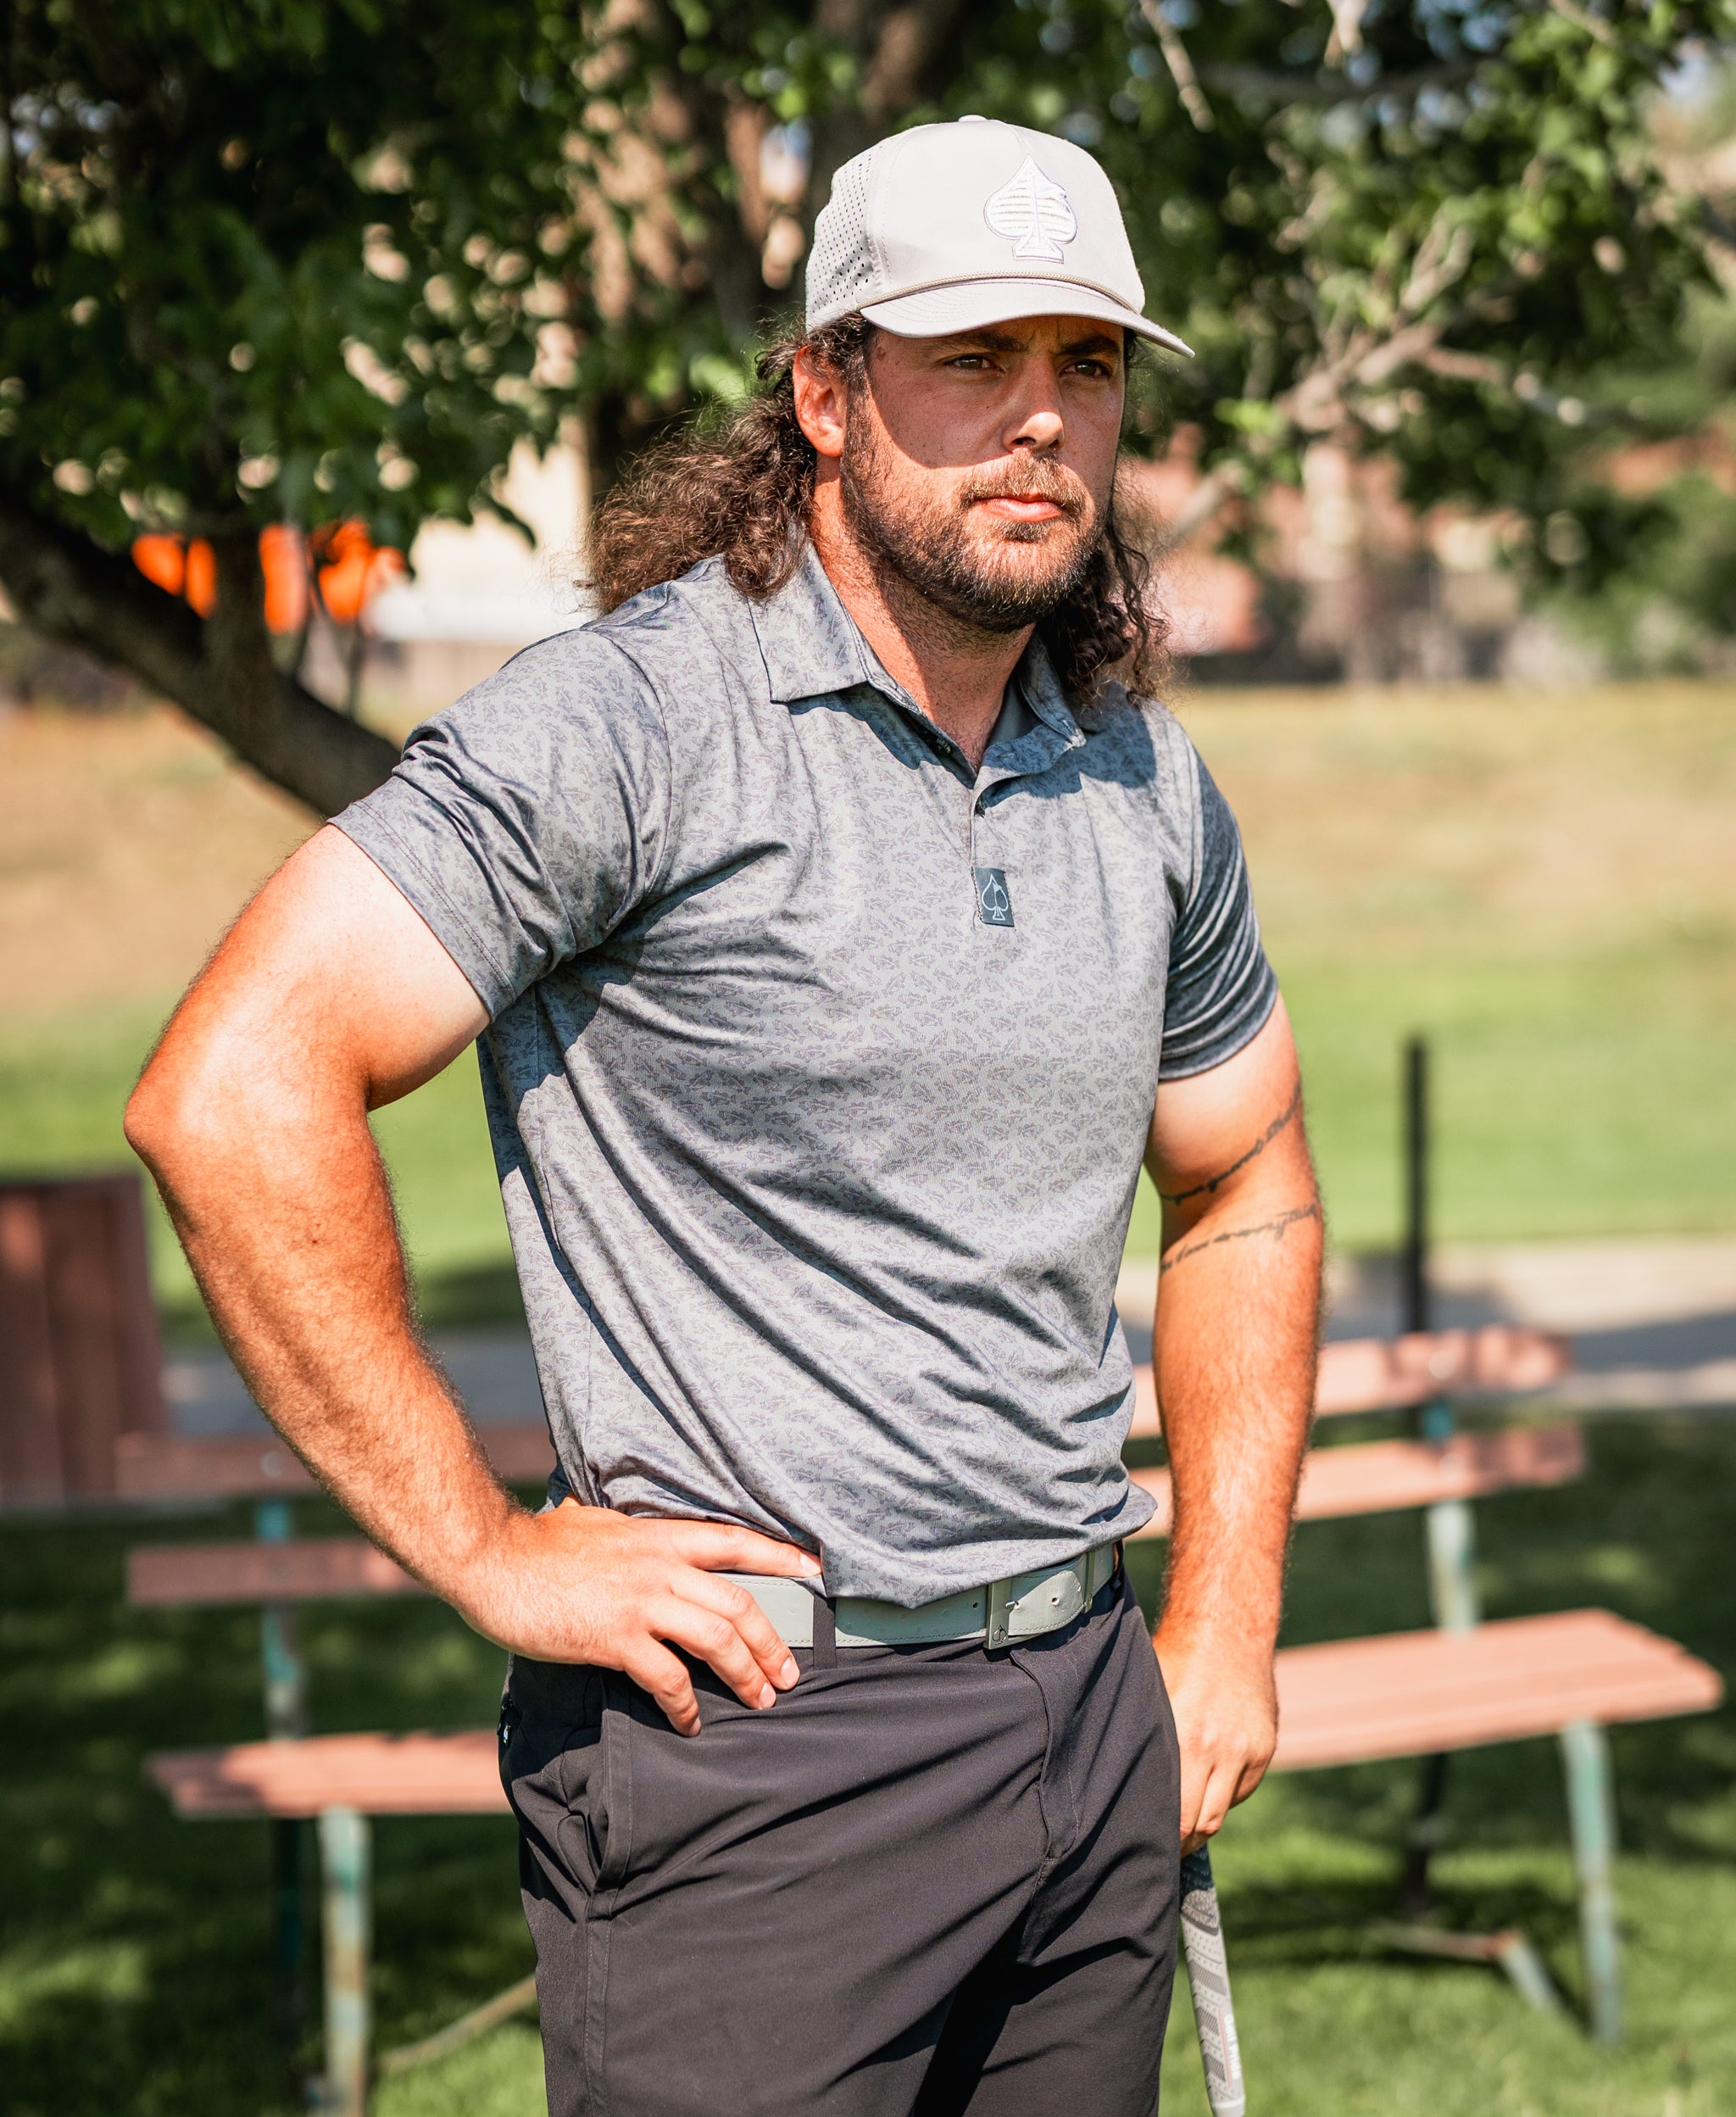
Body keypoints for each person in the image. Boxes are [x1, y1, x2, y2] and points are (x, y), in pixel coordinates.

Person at [127, 117, 1321, 2115]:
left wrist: (1223, 1617)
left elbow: (1245, 1174)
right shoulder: (632, 724)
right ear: (824, 393)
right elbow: (234, 1085)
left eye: (1087, 366)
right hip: (758, 1746)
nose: (1040, 421)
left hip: (1088, 1705)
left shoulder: (1140, 772)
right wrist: (491, 1546)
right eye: (972, 358)